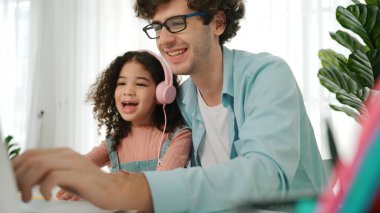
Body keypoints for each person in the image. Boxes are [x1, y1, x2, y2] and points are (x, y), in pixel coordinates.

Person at [13, 0, 327, 212]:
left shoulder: (266, 75)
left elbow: (265, 175)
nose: (164, 39)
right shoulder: (183, 99)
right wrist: (90, 183)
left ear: (217, 23)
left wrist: (126, 189)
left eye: (176, 23)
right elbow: (163, 163)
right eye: (157, 27)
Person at [56, 50, 192, 200]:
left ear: (162, 94)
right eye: (121, 83)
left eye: (140, 84)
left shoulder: (179, 136)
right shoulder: (115, 141)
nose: (128, 91)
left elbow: (161, 185)